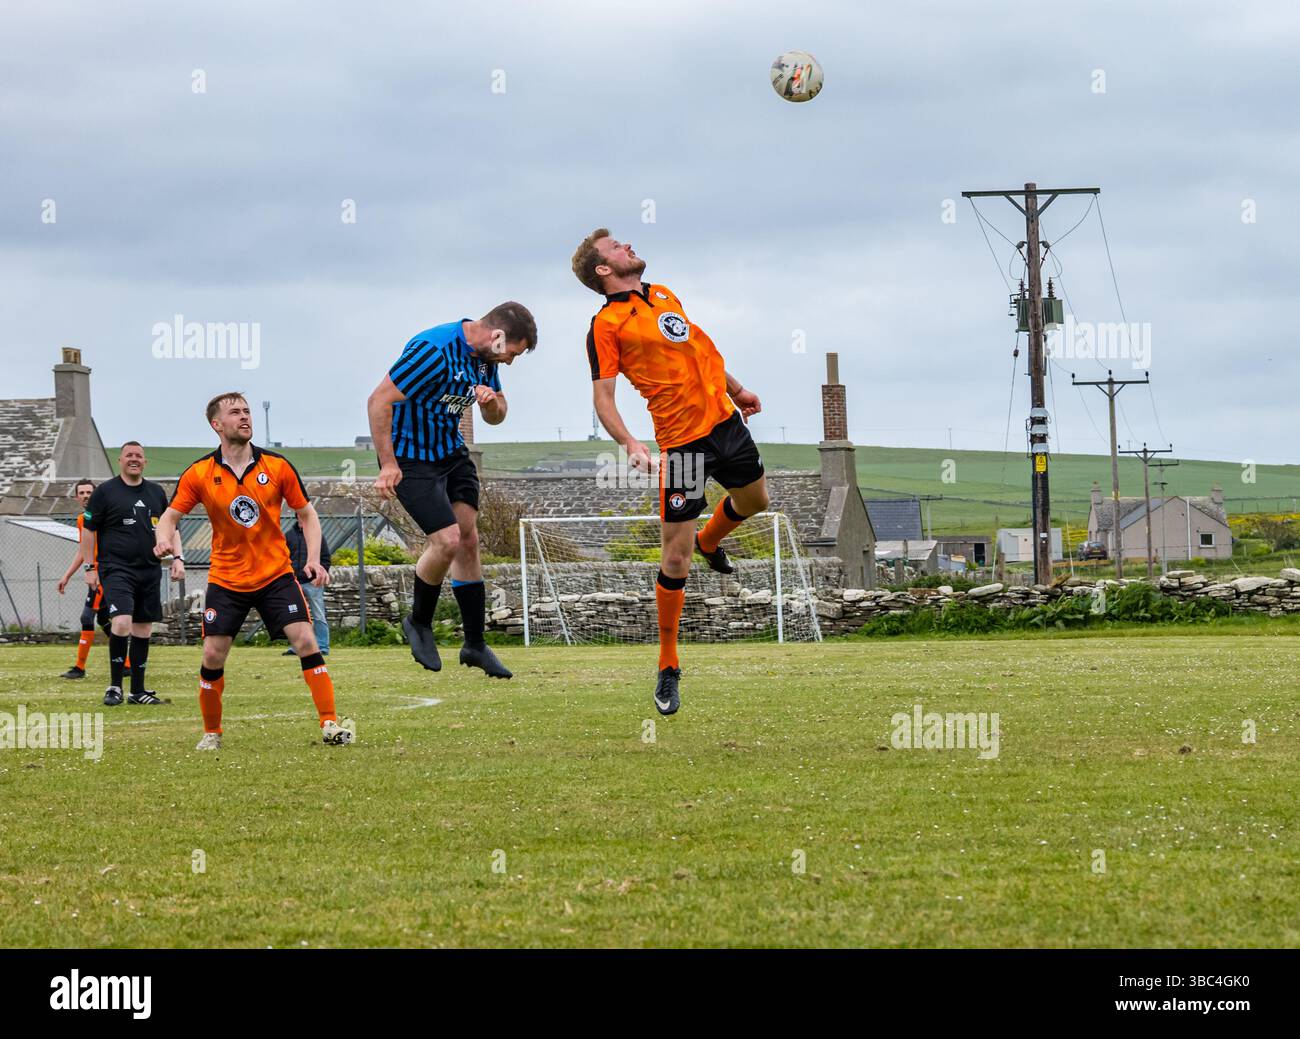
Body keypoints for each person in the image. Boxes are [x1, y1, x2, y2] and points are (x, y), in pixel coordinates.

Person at [571, 229, 769, 716]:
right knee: (674, 560)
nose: (629, 247)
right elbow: (603, 397)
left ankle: (710, 541)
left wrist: (738, 390)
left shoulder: (664, 294)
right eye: (617, 247)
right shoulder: (606, 326)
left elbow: (698, 351)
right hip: (682, 444)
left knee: (757, 502)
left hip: (726, 424)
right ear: (603, 269)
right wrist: (631, 443)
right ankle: (668, 665)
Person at [154, 392, 353, 751]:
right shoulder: (200, 472)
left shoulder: (276, 466)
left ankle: (330, 725)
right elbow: (169, 517)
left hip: (275, 575)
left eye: (247, 411)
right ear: (217, 425)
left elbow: (307, 515)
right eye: (235, 412)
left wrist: (313, 559)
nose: (245, 417)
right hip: (226, 579)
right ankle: (211, 733)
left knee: (306, 641)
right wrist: (163, 540)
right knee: (213, 655)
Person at [367, 303, 537, 679]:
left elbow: (498, 415)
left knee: (468, 539)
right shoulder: (433, 349)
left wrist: (491, 404)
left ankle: (475, 645)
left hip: (451, 452)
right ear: (498, 336)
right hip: (411, 457)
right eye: (513, 352)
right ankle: (418, 622)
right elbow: (379, 400)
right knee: (446, 540)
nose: (510, 361)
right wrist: (389, 464)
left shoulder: (484, 359)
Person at [81, 445, 178, 705]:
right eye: (129, 456)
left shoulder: (156, 492)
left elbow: (171, 527)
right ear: (120, 460)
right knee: (122, 622)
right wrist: (90, 568)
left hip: (149, 569)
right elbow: (89, 530)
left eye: (138, 456)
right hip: (116, 569)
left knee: (143, 629)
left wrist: (178, 559)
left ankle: (137, 691)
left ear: (144, 461)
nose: (134, 460)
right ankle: (114, 687)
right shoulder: (105, 492)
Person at [56, 479, 130, 681]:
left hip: (105, 574)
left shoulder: (105, 516)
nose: (86, 496)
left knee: (87, 617)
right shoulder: (83, 520)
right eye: (82, 493)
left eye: (89, 492)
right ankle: (127, 664)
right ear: (76, 497)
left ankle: (79, 668)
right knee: (103, 618)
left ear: (96, 494)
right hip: (95, 573)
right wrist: (67, 575)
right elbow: (84, 550)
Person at [283, 520, 331, 656]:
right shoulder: (289, 536)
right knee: (295, 617)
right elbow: (284, 558)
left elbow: (326, 558)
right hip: (295, 584)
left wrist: (319, 576)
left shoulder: (317, 536)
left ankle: (322, 646)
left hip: (312, 583)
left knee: (319, 616)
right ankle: (296, 647)